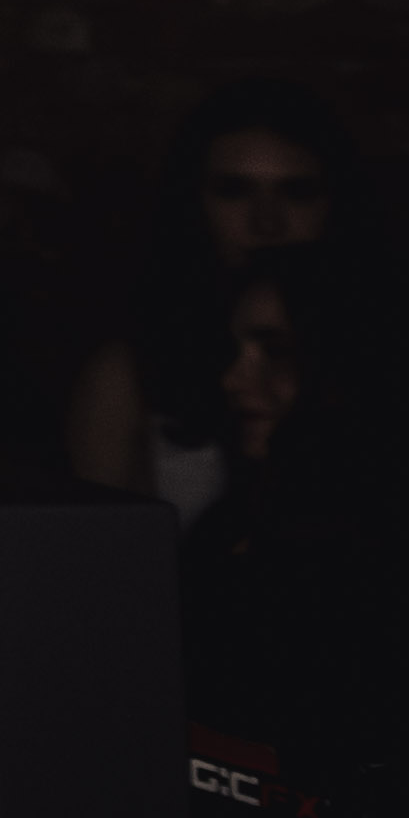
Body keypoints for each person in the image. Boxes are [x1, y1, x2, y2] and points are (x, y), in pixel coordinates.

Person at [65, 81, 349, 512]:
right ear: (193, 203)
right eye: (234, 191)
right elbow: (98, 544)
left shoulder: (382, 351)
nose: (267, 222)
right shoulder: (130, 371)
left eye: (297, 192)